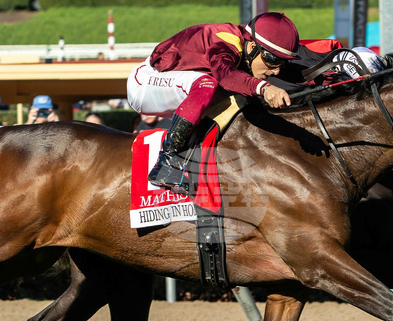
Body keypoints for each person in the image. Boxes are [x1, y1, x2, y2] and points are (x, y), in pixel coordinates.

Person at [128, 12, 299, 192]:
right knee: (208, 84)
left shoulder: (249, 44)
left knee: (237, 98)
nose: (277, 71)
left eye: (283, 63)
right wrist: (263, 88)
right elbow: (225, 75)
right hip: (144, 82)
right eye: (273, 61)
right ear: (252, 47)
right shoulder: (225, 43)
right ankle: (166, 161)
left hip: (178, 86)